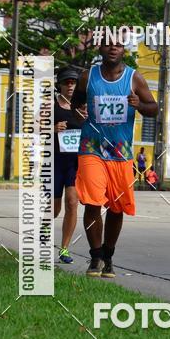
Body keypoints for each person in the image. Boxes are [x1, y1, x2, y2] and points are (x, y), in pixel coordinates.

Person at [72, 38, 157, 278]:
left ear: (123, 49)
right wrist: (78, 110)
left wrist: (139, 104)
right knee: (92, 201)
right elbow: (76, 101)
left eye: (118, 44)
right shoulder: (88, 76)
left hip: (120, 152)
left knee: (117, 207)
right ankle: (95, 256)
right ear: (100, 48)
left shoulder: (134, 78)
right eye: (108, 44)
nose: (113, 48)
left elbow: (153, 109)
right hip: (92, 147)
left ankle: (108, 256)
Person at [53, 66, 85, 264]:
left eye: (73, 82)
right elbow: (34, 129)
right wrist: (52, 128)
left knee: (72, 203)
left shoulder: (83, 106)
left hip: (75, 162)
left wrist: (87, 121)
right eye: (67, 82)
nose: (70, 86)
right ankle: (44, 229)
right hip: (55, 162)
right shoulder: (51, 105)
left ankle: (64, 248)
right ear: (60, 85)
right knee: (54, 210)